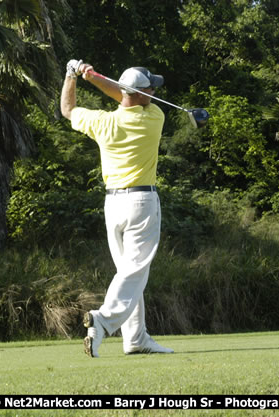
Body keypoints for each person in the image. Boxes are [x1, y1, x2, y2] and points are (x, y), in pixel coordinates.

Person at [60, 59, 174, 358]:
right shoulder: (154, 117)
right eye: (150, 89)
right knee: (135, 271)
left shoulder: (102, 121)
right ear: (141, 95)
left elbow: (68, 110)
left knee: (128, 273)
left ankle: (135, 338)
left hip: (112, 205)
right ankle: (104, 320)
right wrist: (94, 77)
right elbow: (124, 95)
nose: (154, 93)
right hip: (142, 202)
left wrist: (74, 75)